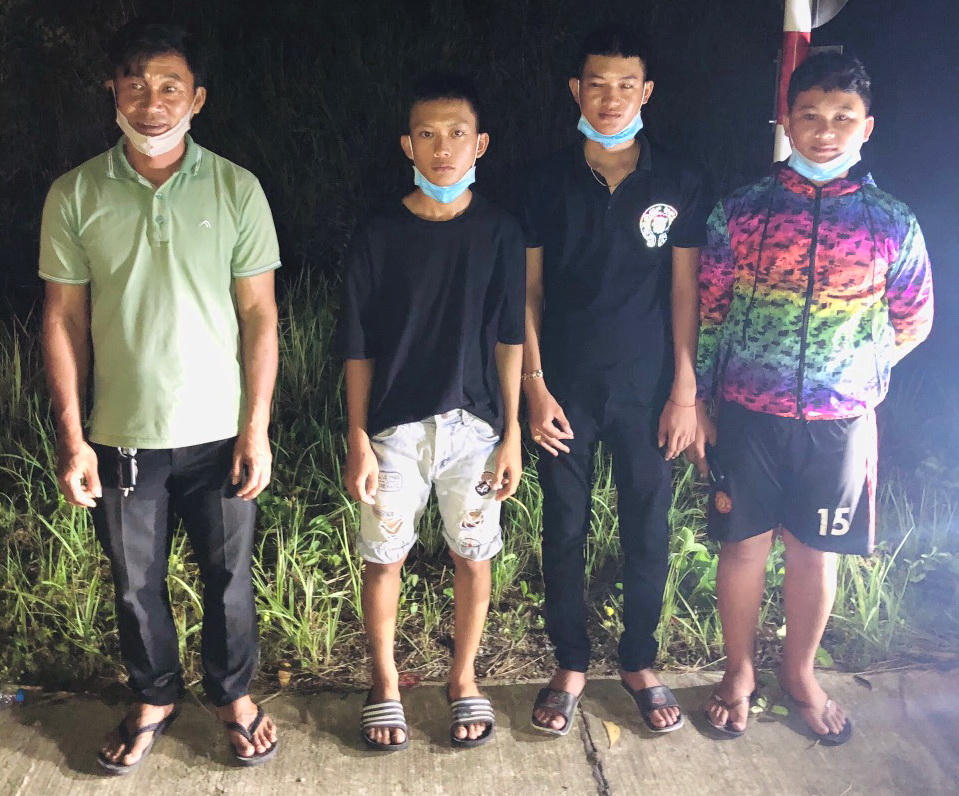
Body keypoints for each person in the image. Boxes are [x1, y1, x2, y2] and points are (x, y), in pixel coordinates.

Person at [40, 20, 281, 773]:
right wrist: (74, 438)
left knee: (229, 579)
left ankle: (233, 695)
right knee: (134, 584)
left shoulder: (236, 188)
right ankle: (153, 696)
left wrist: (256, 427)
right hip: (121, 431)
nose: (153, 103)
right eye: (136, 86)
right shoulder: (75, 192)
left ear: (197, 98)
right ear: (113, 92)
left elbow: (259, 315)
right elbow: (63, 318)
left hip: (219, 431)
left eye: (170, 87)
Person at [693, 52, 933, 744]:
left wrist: (854, 372)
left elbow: (913, 319)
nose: (825, 132)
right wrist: (701, 400)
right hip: (748, 413)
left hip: (839, 423)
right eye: (810, 116)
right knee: (742, 550)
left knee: (813, 554)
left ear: (867, 127)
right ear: (786, 120)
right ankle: (738, 671)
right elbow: (710, 313)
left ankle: (799, 673)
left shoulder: (891, 220)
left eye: (842, 118)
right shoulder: (741, 211)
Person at [521, 25, 709, 735]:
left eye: (626, 84)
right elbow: (528, 292)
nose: (610, 97)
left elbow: (685, 292)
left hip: (647, 385)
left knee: (648, 526)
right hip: (564, 383)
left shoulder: (678, 179)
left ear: (646, 91)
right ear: (576, 89)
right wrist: (533, 385)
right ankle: (570, 662)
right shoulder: (544, 180)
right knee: (563, 527)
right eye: (596, 83)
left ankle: (638, 661)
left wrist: (684, 391)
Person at [338, 73, 525, 751]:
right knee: (383, 558)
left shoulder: (500, 231)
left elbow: (510, 337)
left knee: (472, 556)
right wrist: (358, 437)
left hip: (475, 431)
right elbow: (356, 345)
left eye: (456, 133)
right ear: (407, 145)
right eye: (427, 133)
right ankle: (385, 682)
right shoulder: (379, 233)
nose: (442, 147)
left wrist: (511, 433)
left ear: (479, 144)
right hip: (393, 431)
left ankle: (462, 677)